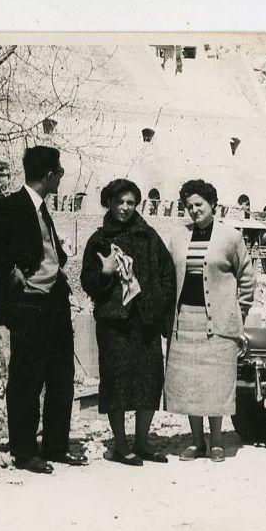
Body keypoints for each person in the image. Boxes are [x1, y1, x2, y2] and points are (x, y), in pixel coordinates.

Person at [0, 146, 88, 474]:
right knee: (26, 378)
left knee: (61, 375)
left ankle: (56, 447)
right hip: (29, 303)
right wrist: (10, 269)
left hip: (55, 302)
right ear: (48, 175)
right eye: (59, 172)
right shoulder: (12, 206)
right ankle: (24, 451)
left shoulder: (43, 209)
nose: (61, 177)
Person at [81, 179, 176, 466]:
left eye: (130, 202)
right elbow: (88, 282)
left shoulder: (149, 237)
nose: (125, 208)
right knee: (117, 382)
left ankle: (142, 442)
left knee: (149, 381)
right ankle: (121, 446)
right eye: (119, 202)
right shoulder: (98, 240)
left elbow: (167, 275)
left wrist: (156, 308)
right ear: (109, 203)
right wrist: (105, 273)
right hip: (114, 324)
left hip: (145, 321)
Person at [164, 179, 257, 462]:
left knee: (216, 383)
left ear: (212, 204)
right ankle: (196, 441)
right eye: (189, 206)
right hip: (185, 321)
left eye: (199, 204)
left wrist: (238, 313)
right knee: (190, 383)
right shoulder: (177, 237)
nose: (194, 210)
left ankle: (216, 441)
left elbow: (248, 277)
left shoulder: (231, 237)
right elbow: (168, 276)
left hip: (219, 322)